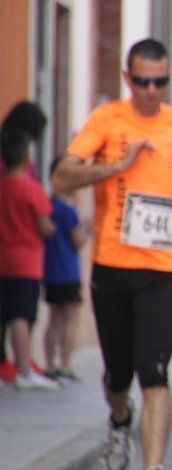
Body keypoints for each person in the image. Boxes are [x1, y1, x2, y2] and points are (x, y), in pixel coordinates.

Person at [51, 38, 172, 470]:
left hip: (164, 269)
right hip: (112, 266)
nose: (152, 90)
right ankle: (119, 420)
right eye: (143, 81)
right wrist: (117, 166)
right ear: (128, 79)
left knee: (154, 373)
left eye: (161, 81)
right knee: (118, 374)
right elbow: (61, 177)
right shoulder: (106, 118)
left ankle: (154, 465)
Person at [0, 129, 59, 391]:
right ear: (26, 157)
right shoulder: (31, 188)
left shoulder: (2, 186)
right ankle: (24, 369)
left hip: (2, 258)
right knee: (22, 316)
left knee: (4, 314)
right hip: (26, 261)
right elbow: (45, 224)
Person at [43, 155, 89, 383]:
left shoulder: (46, 206)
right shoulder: (69, 211)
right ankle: (65, 364)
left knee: (53, 319)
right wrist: (88, 230)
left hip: (50, 270)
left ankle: (49, 364)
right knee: (69, 319)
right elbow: (77, 240)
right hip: (68, 272)